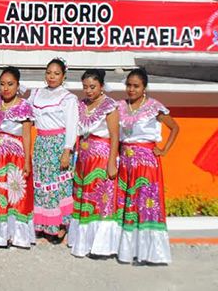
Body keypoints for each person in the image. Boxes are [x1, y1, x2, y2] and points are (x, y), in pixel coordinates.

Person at [116, 68, 179, 265]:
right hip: (126, 161)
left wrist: (164, 150)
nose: (131, 89)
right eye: (129, 85)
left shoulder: (154, 107)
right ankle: (127, 251)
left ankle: (149, 253)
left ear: (144, 88)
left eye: (136, 86)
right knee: (128, 204)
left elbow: (175, 127)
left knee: (146, 204)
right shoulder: (120, 106)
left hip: (146, 164)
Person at [68, 69, 120, 258]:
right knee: (83, 197)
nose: (88, 91)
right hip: (83, 157)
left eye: (92, 87)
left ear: (101, 86)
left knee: (99, 199)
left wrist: (112, 162)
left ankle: (100, 244)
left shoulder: (109, 106)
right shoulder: (81, 104)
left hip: (102, 157)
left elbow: (115, 136)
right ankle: (81, 241)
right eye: (85, 87)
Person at [27, 58, 78, 244]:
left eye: (56, 73)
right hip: (41, 143)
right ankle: (43, 224)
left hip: (58, 144)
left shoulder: (68, 98)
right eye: (49, 73)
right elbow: (28, 115)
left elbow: (72, 125)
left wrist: (67, 150)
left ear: (63, 76)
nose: (52, 77)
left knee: (59, 186)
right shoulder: (36, 94)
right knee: (42, 184)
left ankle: (61, 226)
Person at [0, 66, 36, 248]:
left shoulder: (24, 106)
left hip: (15, 159)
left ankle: (17, 236)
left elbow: (27, 136)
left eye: (10, 84)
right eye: (3, 84)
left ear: (18, 85)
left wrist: (28, 162)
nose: (6, 88)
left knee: (14, 194)